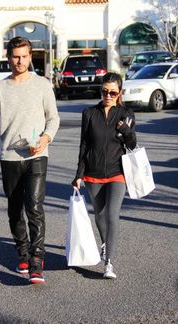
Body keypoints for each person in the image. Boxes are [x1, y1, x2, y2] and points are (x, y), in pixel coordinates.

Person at [0, 37, 60, 284]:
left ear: (30, 56)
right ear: (9, 58)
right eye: (16, 56)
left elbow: (53, 118)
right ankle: (23, 253)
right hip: (9, 156)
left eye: (25, 56)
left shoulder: (43, 84)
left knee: (34, 206)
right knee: (15, 208)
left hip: (37, 154)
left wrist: (46, 139)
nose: (20, 61)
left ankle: (37, 261)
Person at [72, 72, 136, 279]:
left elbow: (132, 144)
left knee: (112, 215)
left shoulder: (126, 114)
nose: (108, 95)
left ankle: (109, 262)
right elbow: (84, 145)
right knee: (99, 216)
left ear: (119, 93)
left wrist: (126, 131)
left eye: (112, 92)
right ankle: (105, 243)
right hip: (93, 173)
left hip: (118, 172)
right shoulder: (89, 113)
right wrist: (78, 175)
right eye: (104, 91)